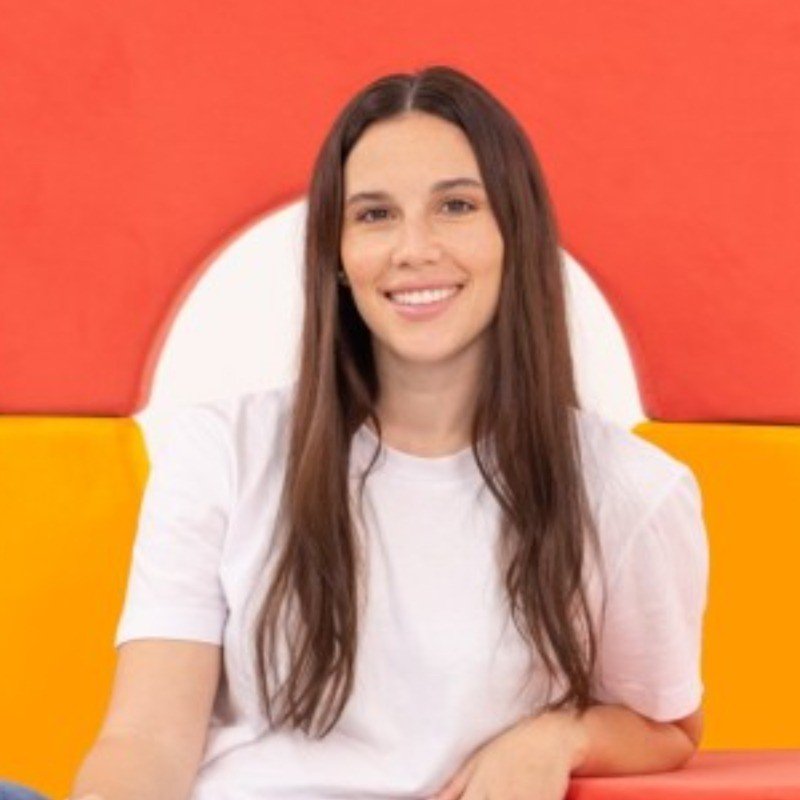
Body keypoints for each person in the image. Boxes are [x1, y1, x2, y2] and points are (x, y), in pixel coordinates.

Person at [55, 65, 707, 800]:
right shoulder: (221, 452)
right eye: (374, 215)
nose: (413, 248)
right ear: (336, 256)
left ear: (515, 232)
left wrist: (562, 736)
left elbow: (665, 726)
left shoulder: (630, 491)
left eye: (456, 206)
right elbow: (145, 740)